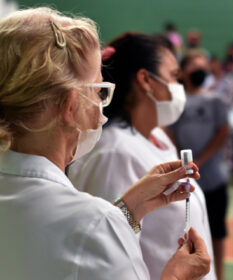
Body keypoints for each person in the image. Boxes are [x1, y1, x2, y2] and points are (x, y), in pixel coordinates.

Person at [0, 7, 211, 280]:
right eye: (99, 91)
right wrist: (176, 277)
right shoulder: (93, 223)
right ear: (71, 106)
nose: (100, 105)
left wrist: (127, 210)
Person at [68, 32, 217, 280]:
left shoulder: (157, 136)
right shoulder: (113, 153)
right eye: (173, 76)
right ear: (146, 80)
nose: (179, 86)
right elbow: (103, 251)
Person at [166, 51, 230, 280]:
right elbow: (169, 133)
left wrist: (201, 161)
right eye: (194, 65)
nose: (200, 70)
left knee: (218, 230)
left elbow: (223, 132)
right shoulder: (177, 102)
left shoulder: (215, 101)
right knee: (191, 228)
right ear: (183, 72)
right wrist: (184, 163)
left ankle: (218, 275)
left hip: (213, 177)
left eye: (203, 65)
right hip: (187, 178)